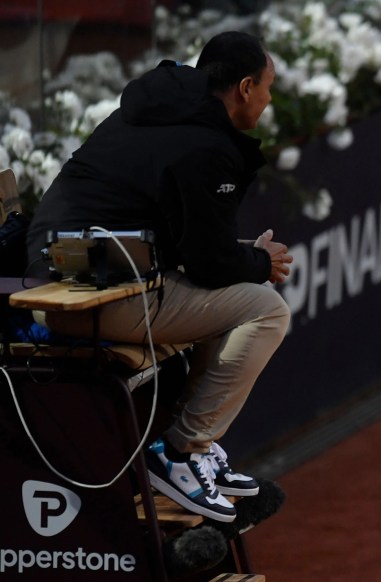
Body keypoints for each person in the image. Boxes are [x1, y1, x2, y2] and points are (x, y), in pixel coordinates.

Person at [24, 31, 293, 523]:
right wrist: (257, 262)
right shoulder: (205, 144)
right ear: (246, 86)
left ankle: (194, 448)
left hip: (62, 280)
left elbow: (185, 242)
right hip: (96, 299)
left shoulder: (151, 112)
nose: (270, 101)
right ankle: (181, 452)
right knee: (265, 308)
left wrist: (240, 258)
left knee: (235, 295)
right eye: (269, 88)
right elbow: (209, 264)